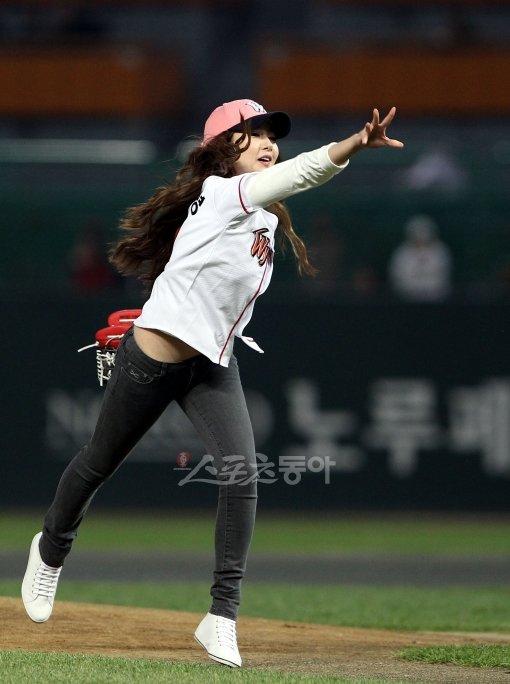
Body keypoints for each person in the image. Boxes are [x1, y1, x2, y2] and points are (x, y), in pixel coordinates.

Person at [21, 99, 403, 668]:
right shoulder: (223, 192)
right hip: (152, 360)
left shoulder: (264, 218)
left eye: (271, 133)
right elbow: (304, 173)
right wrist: (351, 145)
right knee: (98, 462)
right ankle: (50, 552)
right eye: (253, 133)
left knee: (242, 474)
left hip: (212, 365)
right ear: (223, 148)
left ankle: (221, 616)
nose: (269, 142)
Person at [388, 213, 452, 301]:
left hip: (435, 298)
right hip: (407, 298)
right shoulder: (402, 252)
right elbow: (399, 277)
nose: (421, 237)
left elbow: (442, 276)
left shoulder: (440, 251)